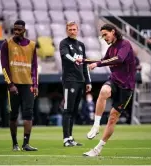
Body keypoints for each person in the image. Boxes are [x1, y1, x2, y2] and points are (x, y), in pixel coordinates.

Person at [83, 24, 136, 156]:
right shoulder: (111, 48)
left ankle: (98, 149)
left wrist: (97, 64)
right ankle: (96, 126)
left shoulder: (125, 44)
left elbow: (119, 59)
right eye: (102, 36)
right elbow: (103, 60)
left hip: (127, 87)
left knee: (113, 118)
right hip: (114, 80)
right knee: (104, 91)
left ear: (113, 32)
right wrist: (84, 61)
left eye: (105, 34)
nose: (104, 38)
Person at [0, 20, 38, 151]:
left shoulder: (32, 45)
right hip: (13, 85)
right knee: (13, 115)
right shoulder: (6, 44)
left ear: (24, 30)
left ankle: (26, 143)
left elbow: (34, 67)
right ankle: (14, 143)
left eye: (19, 29)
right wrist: (10, 84)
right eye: (14, 29)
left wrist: (35, 84)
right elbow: (4, 67)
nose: (16, 32)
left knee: (28, 114)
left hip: (28, 85)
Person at [59, 21, 92, 147]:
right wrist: (75, 59)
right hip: (69, 80)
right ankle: (66, 139)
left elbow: (84, 64)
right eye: (70, 29)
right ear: (67, 30)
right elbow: (65, 55)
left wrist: (88, 81)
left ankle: (71, 138)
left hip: (80, 81)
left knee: (73, 111)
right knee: (67, 110)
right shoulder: (64, 43)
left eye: (74, 29)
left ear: (77, 30)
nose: (72, 31)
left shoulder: (81, 45)